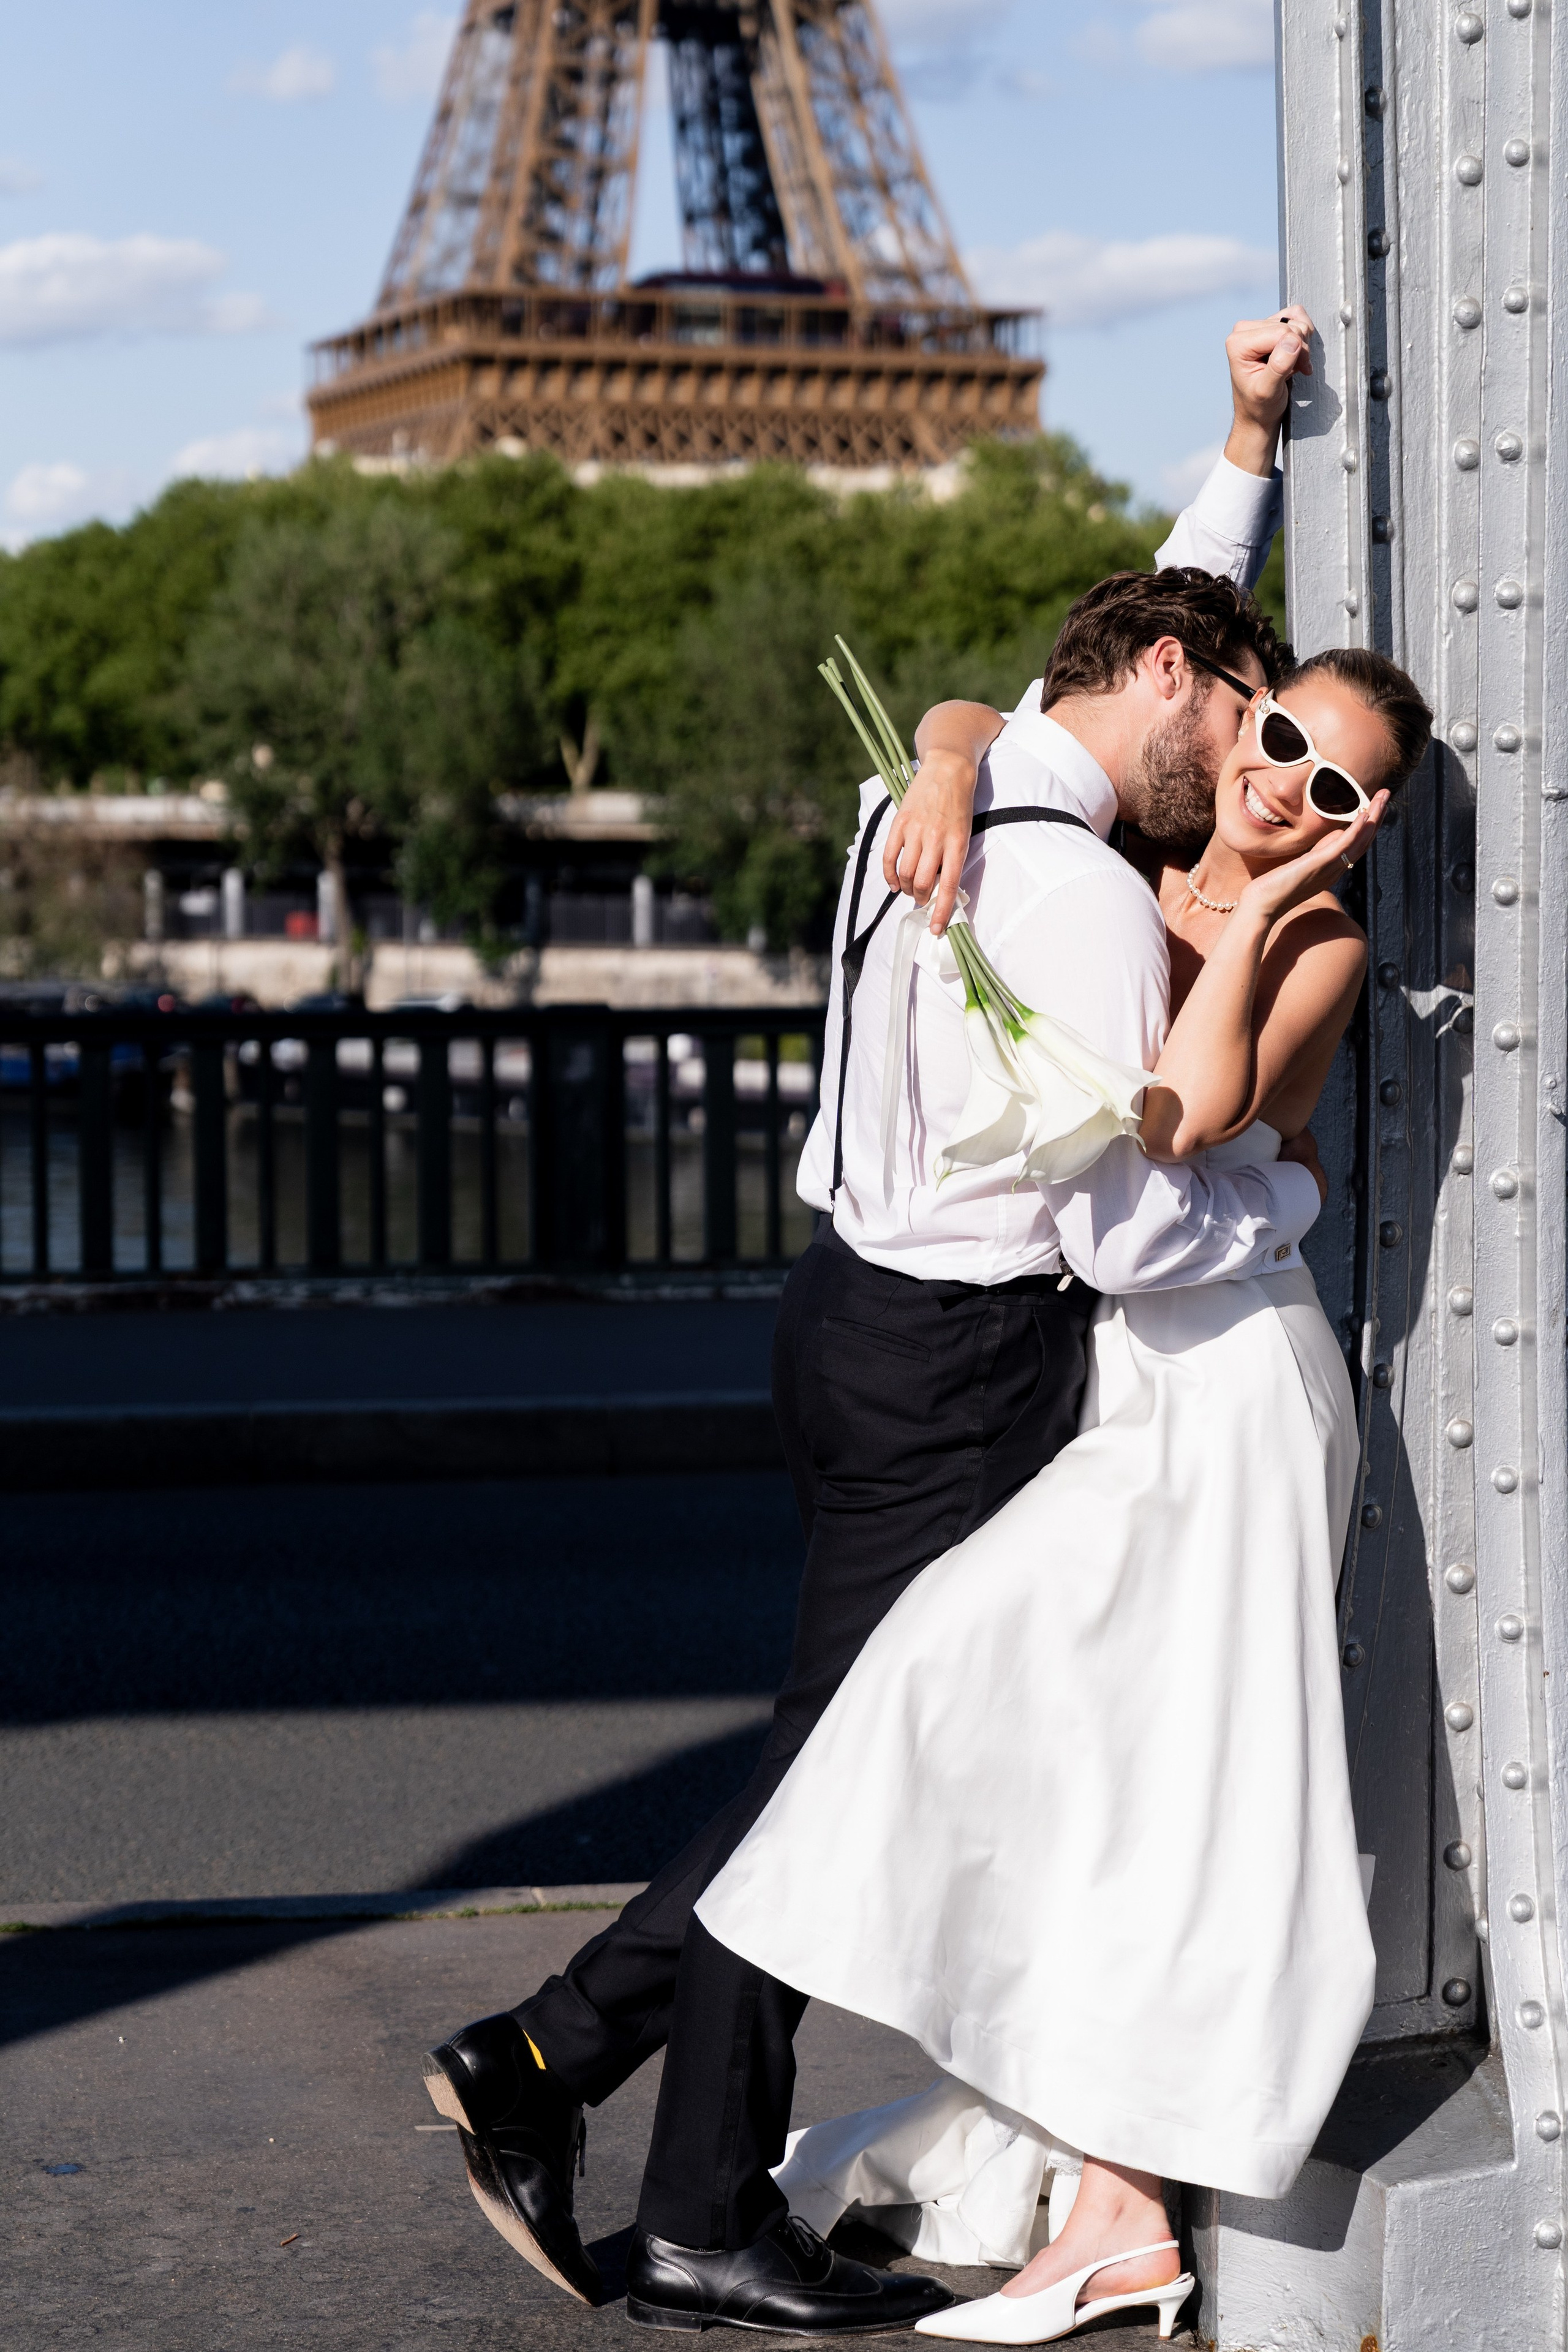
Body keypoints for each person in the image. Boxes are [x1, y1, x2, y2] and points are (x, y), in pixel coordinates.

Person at [418, 308, 1327, 2339]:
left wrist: (1245, 448)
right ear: (1172, 683)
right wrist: (1289, 1191)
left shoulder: (958, 784)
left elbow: (1142, 646)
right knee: (847, 1788)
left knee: (856, 1763)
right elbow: (1118, 1231)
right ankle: (614, 2124)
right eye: (1247, 727)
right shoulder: (1080, 897)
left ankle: (617, 2115)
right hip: (960, 1358)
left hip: (841, 1318)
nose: (1250, 774)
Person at [696, 641, 1434, 2345]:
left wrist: (1260, 910)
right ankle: (1099, 2182)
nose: (1278, 784)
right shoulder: (1125, 857)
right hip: (1131, 1383)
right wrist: (947, 763)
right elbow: (1013, 715)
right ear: (1228, 709)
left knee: (1178, 1786)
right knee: (1029, 1733)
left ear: (1361, 819)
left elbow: (1168, 1128)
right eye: (1274, 737)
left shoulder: (1318, 943)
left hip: (1234, 1391)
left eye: (1330, 785)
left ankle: (1127, 2213)